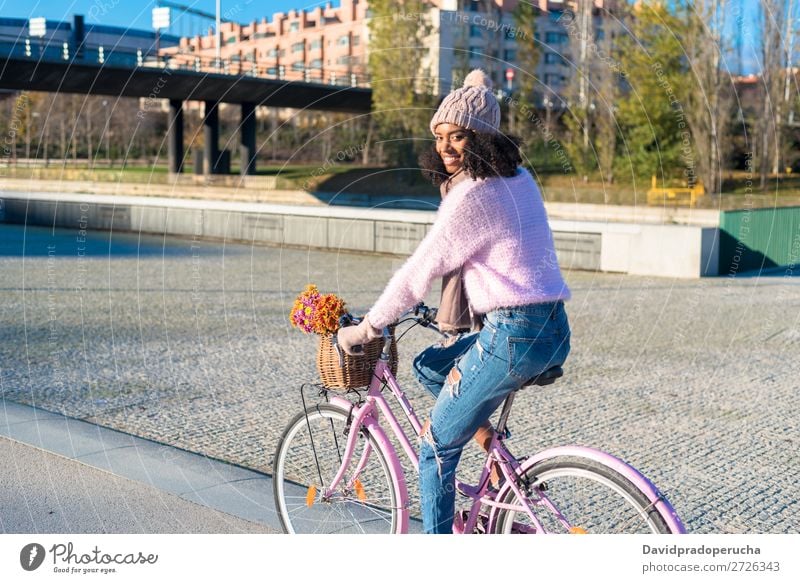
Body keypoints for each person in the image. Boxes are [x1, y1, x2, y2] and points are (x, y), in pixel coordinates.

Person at [338, 69, 572, 534]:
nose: (446, 147)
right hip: (552, 328)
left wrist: (368, 327)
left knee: (435, 448)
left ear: (482, 139)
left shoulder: (471, 195)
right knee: (429, 367)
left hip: (511, 334)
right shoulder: (520, 178)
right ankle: (493, 451)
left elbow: (417, 273)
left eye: (459, 136)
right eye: (440, 136)